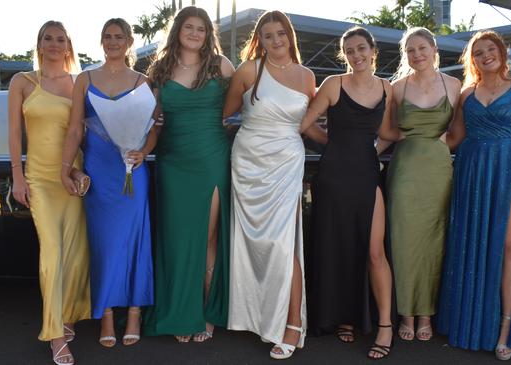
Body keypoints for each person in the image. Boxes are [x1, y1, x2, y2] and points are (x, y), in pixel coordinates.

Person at [437, 30, 511, 361]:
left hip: (509, 171)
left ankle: (506, 328)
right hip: (472, 173)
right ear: (471, 60)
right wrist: (419, 139)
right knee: (472, 247)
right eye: (478, 52)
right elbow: (454, 137)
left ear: (501, 52)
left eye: (491, 49)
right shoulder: (466, 94)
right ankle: (475, 322)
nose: (486, 55)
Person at [224, 10, 317, 360]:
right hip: (247, 161)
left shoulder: (308, 77)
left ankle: (292, 323)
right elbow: (225, 113)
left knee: (284, 243)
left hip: (286, 162)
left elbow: (308, 127)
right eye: (268, 35)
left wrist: (342, 144)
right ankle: (256, 317)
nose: (276, 40)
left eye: (281, 33)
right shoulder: (249, 70)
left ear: (289, 35)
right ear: (259, 40)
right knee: (250, 244)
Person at [61, 18, 157, 349]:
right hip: (98, 173)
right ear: (101, 41)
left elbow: (155, 126)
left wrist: (143, 151)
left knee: (134, 240)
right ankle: (104, 314)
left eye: (119, 36)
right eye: (107, 36)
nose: (113, 41)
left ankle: (133, 312)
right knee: (103, 244)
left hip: (132, 170)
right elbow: (75, 129)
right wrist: (65, 168)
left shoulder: (144, 81)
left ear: (129, 41)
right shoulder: (85, 79)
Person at [141, 6, 234, 343]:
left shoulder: (221, 66)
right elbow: (150, 120)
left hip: (211, 159)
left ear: (209, 34)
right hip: (173, 162)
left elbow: (244, 102)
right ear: (178, 30)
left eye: (202, 29)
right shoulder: (161, 71)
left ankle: (206, 311)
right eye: (189, 27)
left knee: (208, 238)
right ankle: (182, 313)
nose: (195, 33)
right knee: (179, 240)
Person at [302, 26, 395, 360]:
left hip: (367, 174)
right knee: (337, 247)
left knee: (373, 251)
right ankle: (344, 318)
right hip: (333, 175)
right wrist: (333, 143)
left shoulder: (387, 88)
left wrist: (377, 147)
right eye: (350, 51)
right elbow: (305, 123)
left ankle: (385, 325)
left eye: (361, 49)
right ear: (345, 56)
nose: (356, 56)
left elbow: (386, 132)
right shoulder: (333, 84)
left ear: (373, 51)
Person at [8, 20, 90, 365]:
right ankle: (55, 334)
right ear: (39, 45)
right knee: (52, 254)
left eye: (60, 39)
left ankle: (68, 315)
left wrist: (81, 170)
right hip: (39, 179)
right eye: (48, 38)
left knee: (75, 253)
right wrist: (18, 177)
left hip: (70, 176)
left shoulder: (77, 83)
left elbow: (84, 132)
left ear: (68, 46)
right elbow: (14, 133)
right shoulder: (22, 82)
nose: (54, 44)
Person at [384, 27, 461, 342]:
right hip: (404, 171)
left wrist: (437, 145)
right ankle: (406, 313)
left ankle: (426, 313)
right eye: (410, 51)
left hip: (438, 172)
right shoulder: (397, 88)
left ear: (433, 49)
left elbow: (458, 133)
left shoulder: (456, 85)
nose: (417, 55)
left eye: (421, 49)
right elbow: (386, 130)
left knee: (435, 240)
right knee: (403, 240)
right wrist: (409, 139)